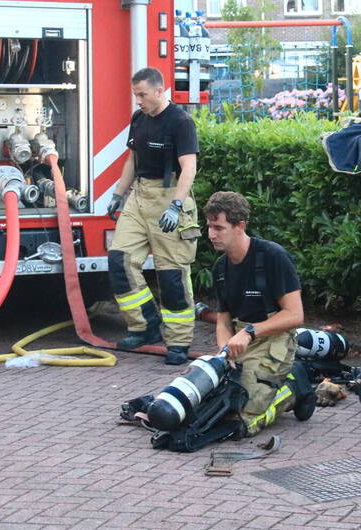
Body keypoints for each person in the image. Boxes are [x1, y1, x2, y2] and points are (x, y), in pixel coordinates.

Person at [107, 67, 200, 366]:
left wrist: (175, 206)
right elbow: (132, 159)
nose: (138, 101)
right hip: (139, 197)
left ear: (160, 90)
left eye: (143, 95)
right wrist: (118, 194)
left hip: (169, 195)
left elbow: (189, 168)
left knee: (171, 275)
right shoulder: (140, 119)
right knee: (119, 260)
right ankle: (145, 326)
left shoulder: (181, 122)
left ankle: (179, 341)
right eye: (136, 95)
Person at [205, 191, 315, 436]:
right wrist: (224, 353)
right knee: (213, 403)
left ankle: (292, 388)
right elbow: (223, 320)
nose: (211, 235)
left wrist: (249, 332)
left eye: (219, 228)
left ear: (240, 226)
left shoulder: (272, 256)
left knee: (241, 421)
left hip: (275, 338)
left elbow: (295, 315)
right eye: (210, 227)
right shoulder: (220, 268)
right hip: (241, 342)